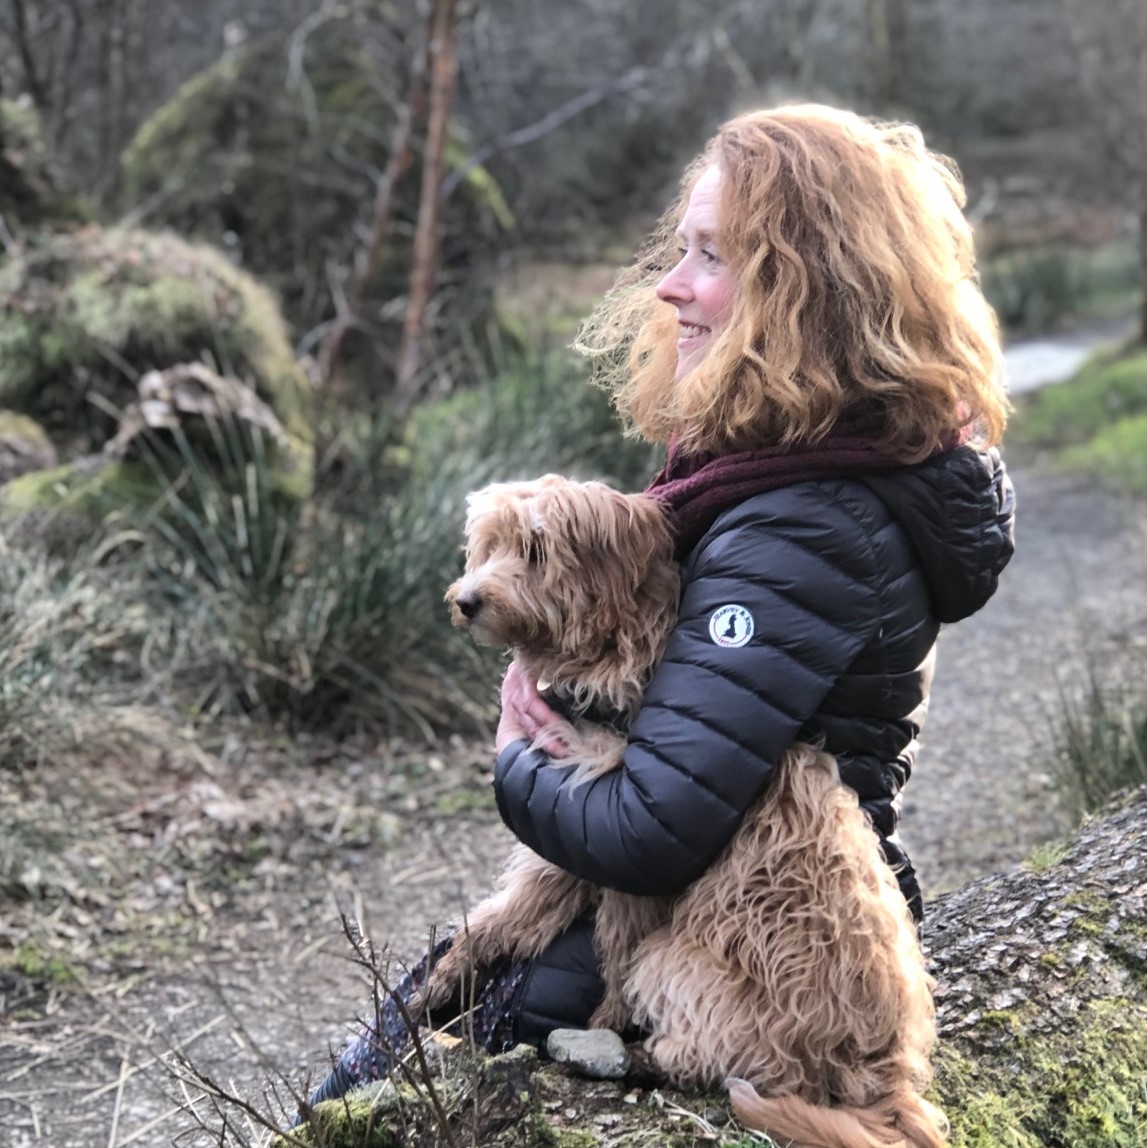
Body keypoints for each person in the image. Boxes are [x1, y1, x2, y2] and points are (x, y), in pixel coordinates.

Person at [302, 103, 1014, 1111]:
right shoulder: (774, 471)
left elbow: (650, 827)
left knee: (411, 1060)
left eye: (713, 257)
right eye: (679, 249)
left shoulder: (804, 522)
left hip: (743, 938)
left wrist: (518, 756)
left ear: (808, 291)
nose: (670, 285)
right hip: (724, 907)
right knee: (411, 1020)